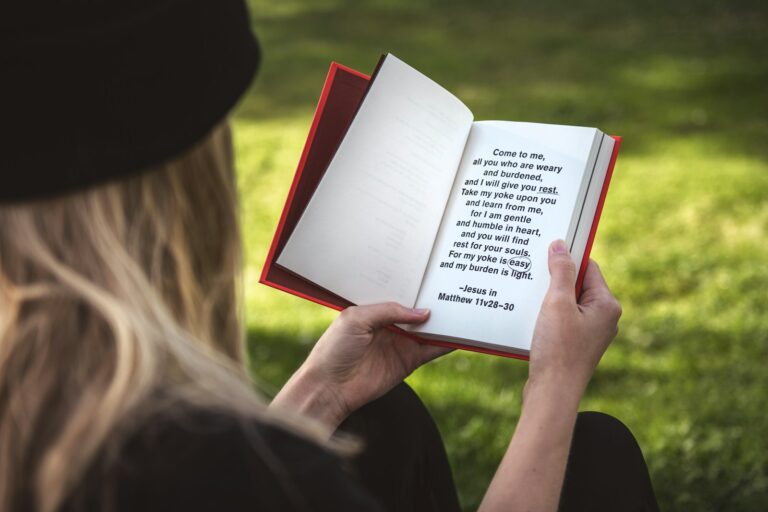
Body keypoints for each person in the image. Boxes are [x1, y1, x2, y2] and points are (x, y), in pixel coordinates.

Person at [0, 1, 659, 511]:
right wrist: (554, 385)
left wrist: (323, 389)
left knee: (381, 424)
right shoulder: (168, 456)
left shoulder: (46, 418)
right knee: (596, 457)